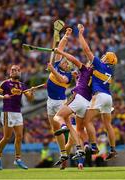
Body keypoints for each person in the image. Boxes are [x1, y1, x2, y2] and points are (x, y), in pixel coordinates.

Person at [78, 24, 118, 160]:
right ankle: (113, 149)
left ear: (107, 59)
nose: (103, 57)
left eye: (105, 56)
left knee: (87, 121)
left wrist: (81, 34)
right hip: (108, 98)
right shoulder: (110, 70)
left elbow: (86, 49)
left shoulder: (100, 64)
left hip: (99, 96)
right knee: (108, 125)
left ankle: (94, 145)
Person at [53, 44, 93, 164]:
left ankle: (63, 126)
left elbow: (73, 60)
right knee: (80, 129)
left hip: (78, 97)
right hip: (86, 103)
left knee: (58, 116)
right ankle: (85, 146)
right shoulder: (95, 76)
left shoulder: (86, 69)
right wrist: (77, 79)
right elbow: (84, 85)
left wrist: (61, 52)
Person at [0, 65, 34, 170]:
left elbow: (30, 99)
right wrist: (3, 97)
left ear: (20, 72)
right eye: (13, 70)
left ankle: (18, 159)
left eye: (17, 70)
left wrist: (32, 92)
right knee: (7, 137)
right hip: (8, 112)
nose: (15, 71)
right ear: (10, 73)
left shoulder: (22, 85)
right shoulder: (5, 83)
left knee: (19, 137)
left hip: (18, 113)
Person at [46, 28, 73, 166]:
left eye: (67, 63)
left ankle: (74, 150)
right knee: (55, 130)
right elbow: (60, 48)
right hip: (49, 102)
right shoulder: (56, 64)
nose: (65, 62)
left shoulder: (68, 75)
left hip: (59, 103)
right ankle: (63, 154)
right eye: (64, 61)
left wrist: (52, 71)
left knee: (63, 124)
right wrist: (66, 36)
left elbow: (62, 80)